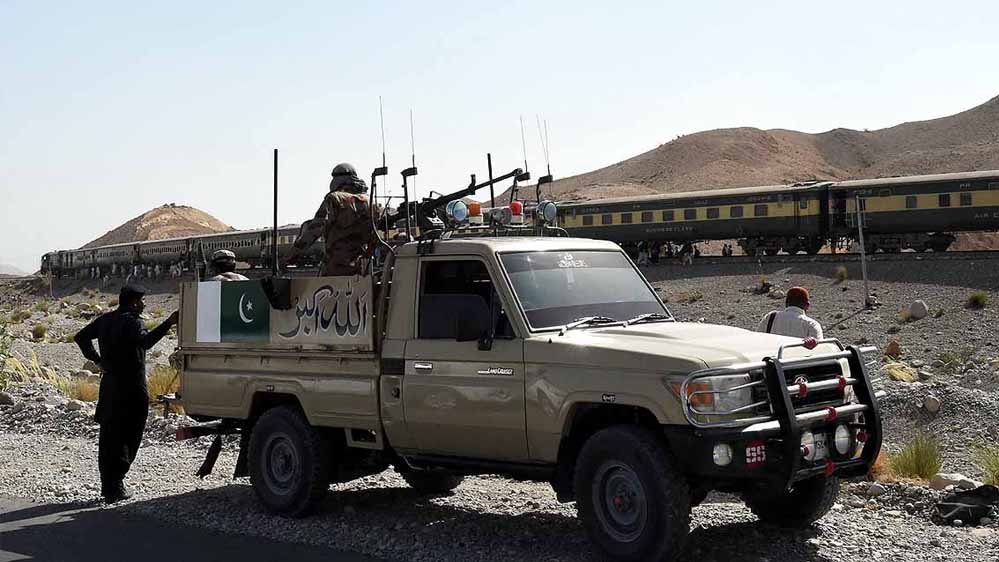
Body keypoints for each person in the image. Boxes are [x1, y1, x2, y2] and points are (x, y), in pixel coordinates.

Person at [74, 285, 178, 503]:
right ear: (133, 303)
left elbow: (81, 337)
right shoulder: (133, 322)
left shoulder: (105, 320)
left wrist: (98, 361)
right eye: (141, 301)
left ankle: (109, 485)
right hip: (132, 388)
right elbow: (146, 342)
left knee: (109, 436)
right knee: (130, 434)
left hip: (110, 387)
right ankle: (116, 485)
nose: (144, 305)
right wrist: (168, 323)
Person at [286, 162, 375, 276]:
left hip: (336, 267)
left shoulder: (334, 199)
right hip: (363, 267)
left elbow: (314, 230)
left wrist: (290, 256)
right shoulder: (370, 201)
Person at [758, 286, 823, 339]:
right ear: (807, 305)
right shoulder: (812, 324)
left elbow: (758, 338)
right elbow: (819, 347)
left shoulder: (770, 317)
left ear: (786, 303)